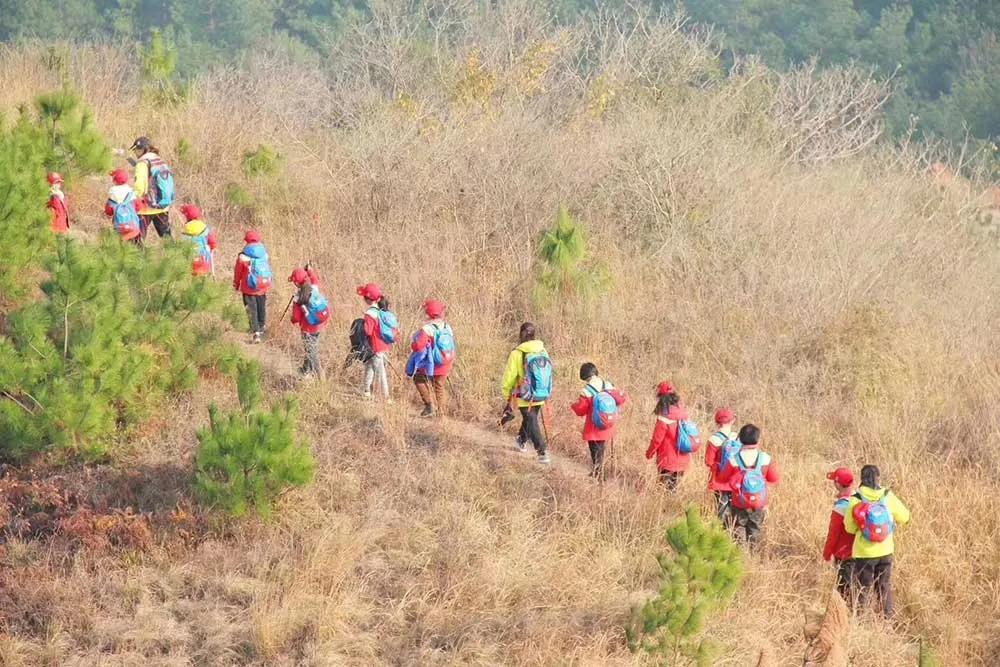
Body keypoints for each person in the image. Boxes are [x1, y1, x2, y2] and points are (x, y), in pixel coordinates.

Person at [843, 465, 910, 617]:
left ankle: (861, 620)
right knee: (884, 586)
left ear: (862, 479)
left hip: (864, 553)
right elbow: (905, 517)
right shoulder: (887, 496)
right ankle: (887, 620)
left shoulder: (856, 499)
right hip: (886, 550)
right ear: (878, 478)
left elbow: (849, 528)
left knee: (863, 587)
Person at [500, 322, 552, 465]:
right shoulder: (542, 350)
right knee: (530, 419)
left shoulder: (517, 353)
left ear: (521, 334)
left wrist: (507, 396)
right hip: (541, 393)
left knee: (531, 420)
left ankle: (542, 452)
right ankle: (521, 439)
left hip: (525, 395)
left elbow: (509, 377)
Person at [720, 424, 779, 546]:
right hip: (759, 502)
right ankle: (754, 555)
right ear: (758, 439)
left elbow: (722, 478)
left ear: (740, 439)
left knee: (738, 527)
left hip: (739, 501)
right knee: (755, 528)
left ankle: (741, 555)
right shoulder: (765, 458)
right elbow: (774, 479)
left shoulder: (734, 459)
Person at [569, 362, 627, 478]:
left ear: (585, 376)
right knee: (601, 447)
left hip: (594, 424)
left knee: (594, 448)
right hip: (608, 422)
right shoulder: (608, 385)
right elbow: (621, 399)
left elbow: (581, 409)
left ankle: (598, 472)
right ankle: (598, 471)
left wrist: (573, 406)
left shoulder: (587, 390)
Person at [645, 382, 699, 490]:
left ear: (661, 398)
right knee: (674, 487)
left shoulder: (664, 417)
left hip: (667, 460)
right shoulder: (683, 413)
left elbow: (657, 440)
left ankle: (666, 506)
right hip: (683, 458)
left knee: (663, 488)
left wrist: (649, 453)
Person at [406, 300, 455, 417]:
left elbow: (418, 346)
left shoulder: (427, 329)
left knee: (418, 379)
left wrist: (413, 344)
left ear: (428, 313)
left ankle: (429, 405)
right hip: (446, 362)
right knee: (439, 387)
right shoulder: (447, 327)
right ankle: (442, 413)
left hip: (432, 364)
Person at [128, 136, 174, 239]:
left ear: (143, 149)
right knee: (167, 238)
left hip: (146, 208)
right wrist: (125, 156)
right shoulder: (159, 160)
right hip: (162, 205)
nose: (135, 153)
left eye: (136, 150)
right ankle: (178, 254)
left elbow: (140, 187)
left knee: (137, 240)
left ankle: (138, 255)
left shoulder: (142, 163)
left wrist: (131, 199)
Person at [289, 265, 330, 379]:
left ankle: (319, 375)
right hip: (319, 324)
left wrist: (292, 319)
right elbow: (315, 279)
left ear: (296, 283)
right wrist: (310, 270)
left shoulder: (299, 298)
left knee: (311, 351)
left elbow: (296, 318)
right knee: (311, 347)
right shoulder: (314, 288)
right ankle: (306, 370)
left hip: (307, 328)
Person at [357, 283, 397, 400]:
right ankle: (366, 391)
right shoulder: (381, 310)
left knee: (380, 372)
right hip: (383, 345)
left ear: (367, 299)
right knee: (369, 367)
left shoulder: (370, 314)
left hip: (374, 346)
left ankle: (386, 398)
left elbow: (368, 331)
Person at [822, 467, 857, 602]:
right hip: (861, 552)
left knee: (845, 592)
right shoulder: (859, 500)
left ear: (837, 484)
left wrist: (826, 554)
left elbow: (833, 534)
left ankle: (846, 617)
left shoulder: (840, 507)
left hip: (844, 555)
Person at [233, 231, 272, 343]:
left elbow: (238, 272)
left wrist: (236, 284)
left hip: (248, 288)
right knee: (261, 307)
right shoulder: (264, 254)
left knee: (251, 309)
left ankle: (255, 333)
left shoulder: (243, 256)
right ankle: (262, 327)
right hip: (262, 286)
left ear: (247, 241)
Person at [704, 408, 739, 521]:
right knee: (735, 505)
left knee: (721, 506)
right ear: (732, 421)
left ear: (716, 422)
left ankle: (721, 530)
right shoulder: (738, 437)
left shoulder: (713, 439)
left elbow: (708, 461)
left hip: (719, 480)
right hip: (735, 479)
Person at [104, 169, 142, 246]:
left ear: (114, 181)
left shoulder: (112, 198)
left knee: (120, 246)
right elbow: (139, 207)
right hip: (133, 227)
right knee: (137, 246)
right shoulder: (131, 195)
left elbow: (108, 212)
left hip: (119, 228)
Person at [179, 205, 216, 276]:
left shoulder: (184, 230)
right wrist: (211, 248)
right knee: (203, 279)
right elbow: (213, 243)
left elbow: (182, 246)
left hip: (190, 259)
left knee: (192, 278)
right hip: (204, 258)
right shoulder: (205, 227)